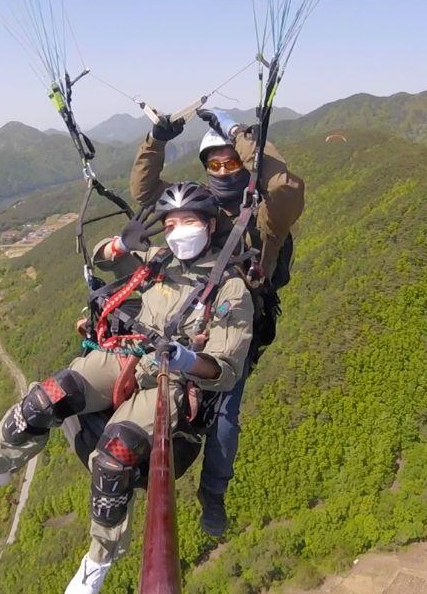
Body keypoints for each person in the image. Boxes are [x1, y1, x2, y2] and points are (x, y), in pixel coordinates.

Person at [0, 182, 254, 594]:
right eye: (171, 224)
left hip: (173, 378)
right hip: (129, 354)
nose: (180, 232)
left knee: (114, 456)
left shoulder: (229, 288)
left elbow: (225, 371)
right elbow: (101, 258)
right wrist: (121, 245)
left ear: (209, 225)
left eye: (189, 221)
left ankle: (100, 557)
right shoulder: (159, 259)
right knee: (46, 398)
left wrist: (183, 358)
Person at [129, 109, 305, 536]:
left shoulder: (263, 218)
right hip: (185, 315)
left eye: (233, 163)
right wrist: (156, 140)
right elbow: (145, 193)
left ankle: (213, 494)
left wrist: (239, 134)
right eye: (215, 165)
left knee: (225, 410)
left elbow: (284, 190)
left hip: (235, 322)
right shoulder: (199, 204)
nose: (224, 171)